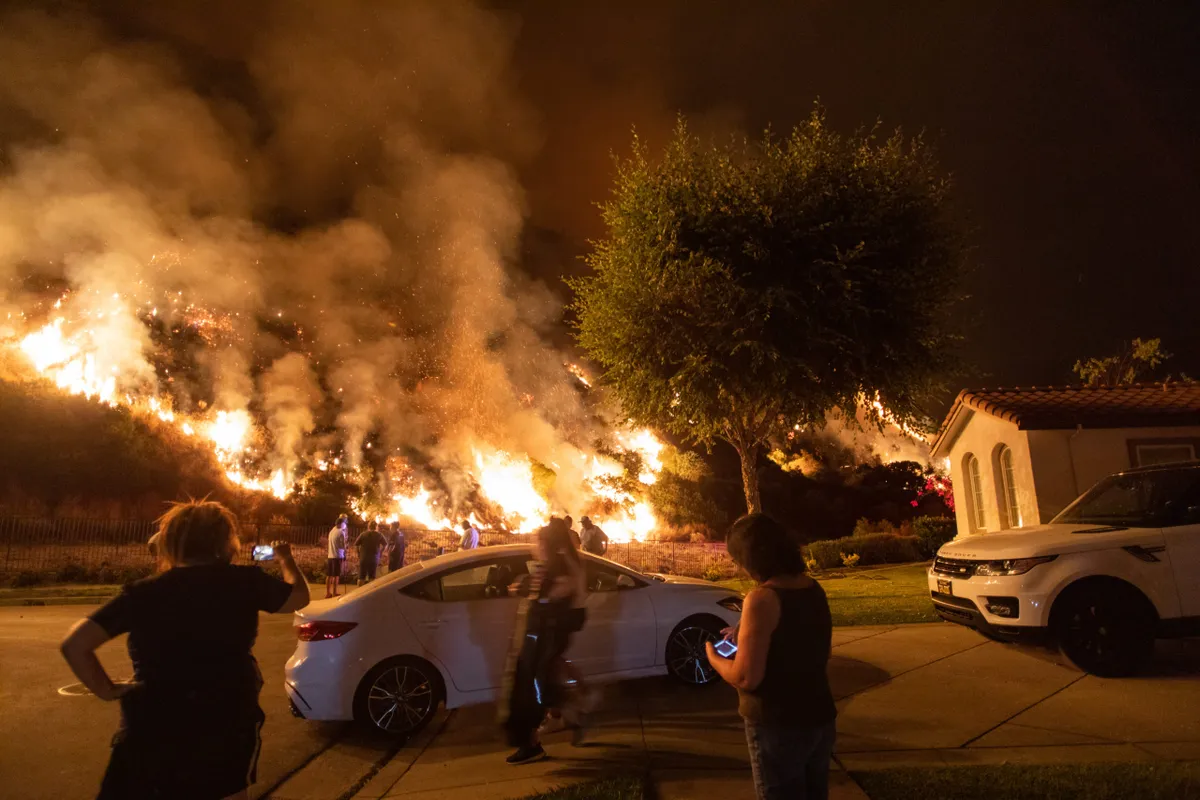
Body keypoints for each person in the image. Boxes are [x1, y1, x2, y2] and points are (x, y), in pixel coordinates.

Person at [59, 500, 310, 800]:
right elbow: (299, 597)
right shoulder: (246, 582)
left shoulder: (145, 593)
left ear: (171, 542)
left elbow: (75, 644)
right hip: (226, 717)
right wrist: (285, 559)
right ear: (225, 541)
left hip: (154, 722)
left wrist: (106, 689)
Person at [705, 513, 837, 800]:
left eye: (737, 559)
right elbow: (819, 649)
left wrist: (713, 657)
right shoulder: (813, 589)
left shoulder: (761, 599)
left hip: (778, 726)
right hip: (819, 717)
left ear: (750, 557)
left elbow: (745, 677)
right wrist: (744, 633)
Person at [501, 519, 588, 764]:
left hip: (543, 636)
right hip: (536, 636)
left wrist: (530, 589)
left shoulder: (562, 567)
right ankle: (570, 713)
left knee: (534, 688)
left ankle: (538, 737)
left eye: (539, 541)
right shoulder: (552, 565)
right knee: (544, 682)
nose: (535, 545)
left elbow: (556, 593)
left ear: (548, 543)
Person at [326, 514, 348, 598]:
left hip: (330, 556)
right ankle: (335, 592)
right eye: (344, 523)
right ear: (341, 524)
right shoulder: (341, 532)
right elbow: (342, 546)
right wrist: (346, 547)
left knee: (329, 575)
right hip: (338, 556)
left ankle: (328, 593)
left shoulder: (332, 531)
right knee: (336, 575)